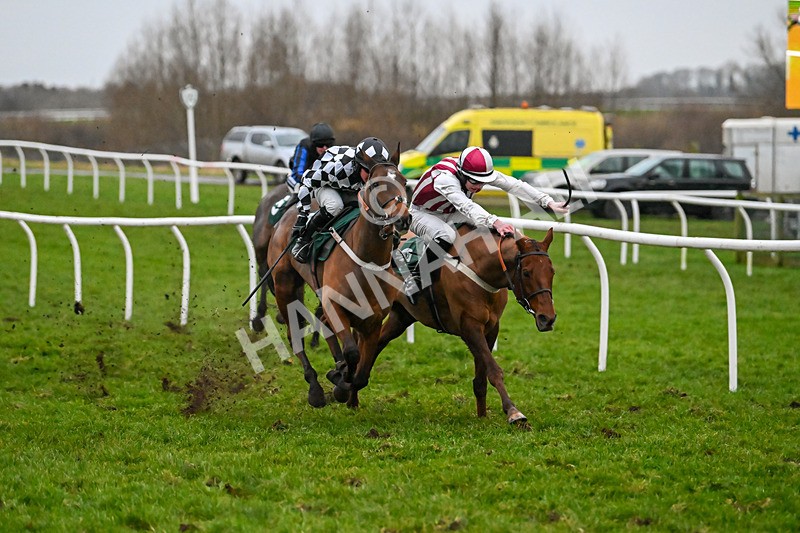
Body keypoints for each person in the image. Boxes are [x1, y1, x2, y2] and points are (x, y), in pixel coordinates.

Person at [401, 145, 569, 304]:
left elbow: (514, 185)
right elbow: (467, 206)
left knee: (493, 227)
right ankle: (415, 280)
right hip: (420, 213)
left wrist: (547, 202)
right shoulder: (445, 178)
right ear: (462, 174)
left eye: (483, 182)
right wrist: (494, 221)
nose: (479, 187)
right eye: (475, 182)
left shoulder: (477, 172)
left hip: (449, 211)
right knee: (447, 235)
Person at [290, 136, 391, 263]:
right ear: (358, 165)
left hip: (351, 188)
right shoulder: (337, 167)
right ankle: (304, 240)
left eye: (376, 172)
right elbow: (307, 181)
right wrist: (302, 217)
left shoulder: (373, 174)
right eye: (368, 170)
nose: (372, 176)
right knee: (335, 205)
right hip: (325, 185)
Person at [287, 122, 336, 193]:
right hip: (300, 179)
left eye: (328, 144)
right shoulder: (304, 146)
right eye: (320, 144)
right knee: (298, 188)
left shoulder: (334, 150)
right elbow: (298, 173)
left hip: (319, 182)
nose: (325, 148)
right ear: (314, 144)